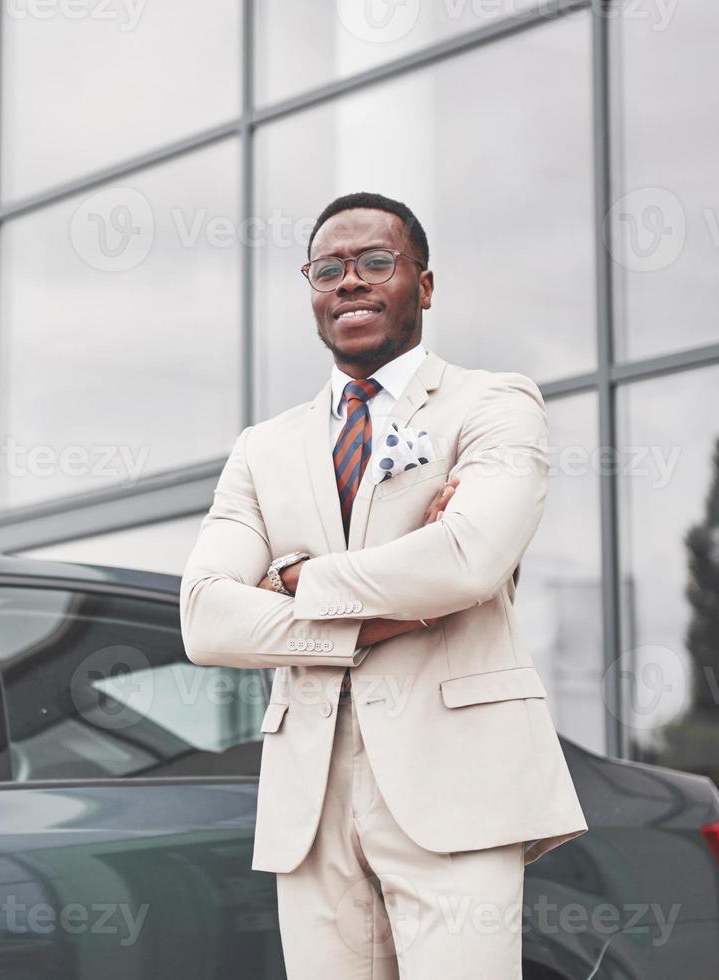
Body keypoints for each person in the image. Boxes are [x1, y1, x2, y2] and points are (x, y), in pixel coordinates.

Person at [180, 191, 587, 978]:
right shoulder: (263, 449)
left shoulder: (492, 404)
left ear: (423, 286)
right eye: (327, 269)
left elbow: (466, 558)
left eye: (375, 262)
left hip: (457, 790)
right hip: (309, 806)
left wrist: (296, 580)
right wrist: (385, 613)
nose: (350, 283)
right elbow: (205, 620)